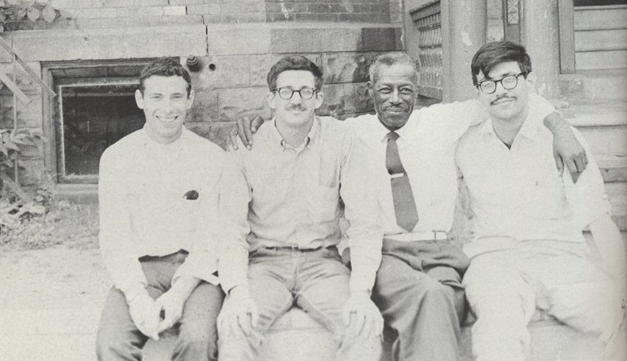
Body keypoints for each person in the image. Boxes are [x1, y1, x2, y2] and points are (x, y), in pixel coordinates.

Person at [230, 51, 587, 361]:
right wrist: (255, 119)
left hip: (440, 252)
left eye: (405, 90)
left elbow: (504, 95)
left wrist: (558, 125)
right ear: (370, 90)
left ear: (417, 90)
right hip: (385, 250)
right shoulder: (350, 133)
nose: (395, 99)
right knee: (429, 296)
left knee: (443, 296)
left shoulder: (442, 121)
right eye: (385, 89)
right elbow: (298, 115)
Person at [456, 41, 626, 361]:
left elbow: (598, 219)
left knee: (614, 312)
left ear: (529, 81)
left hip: (560, 257)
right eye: (488, 84)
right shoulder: (465, 144)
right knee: (497, 329)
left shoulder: (565, 141)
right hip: (494, 260)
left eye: (509, 79)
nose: (500, 91)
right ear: (478, 92)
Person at [217, 55, 384, 361]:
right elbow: (230, 228)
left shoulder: (341, 140)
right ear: (271, 99)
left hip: (323, 265)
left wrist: (361, 292)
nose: (296, 100)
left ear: (318, 98)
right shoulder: (246, 146)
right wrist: (237, 291)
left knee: (363, 329)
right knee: (236, 329)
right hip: (264, 266)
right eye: (286, 91)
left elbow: (364, 223)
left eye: (306, 91)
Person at [96, 57, 237, 361]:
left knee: (198, 340)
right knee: (111, 345)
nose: (167, 108)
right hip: (140, 268)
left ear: (190, 99)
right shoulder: (117, 158)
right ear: (140, 100)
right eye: (157, 97)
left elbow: (211, 237)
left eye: (176, 97)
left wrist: (179, 294)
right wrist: (136, 297)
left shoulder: (212, 157)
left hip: (196, 272)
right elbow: (114, 238)